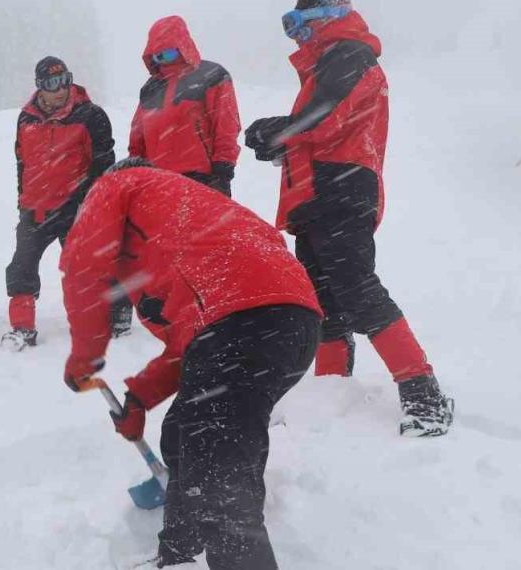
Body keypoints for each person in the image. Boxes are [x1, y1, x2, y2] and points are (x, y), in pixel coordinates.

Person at [61, 159, 322, 569]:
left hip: (240, 323)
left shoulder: (118, 185)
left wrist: (84, 358)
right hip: (293, 327)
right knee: (187, 433)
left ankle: (207, 548)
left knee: (222, 487)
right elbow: (191, 347)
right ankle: (180, 553)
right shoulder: (192, 219)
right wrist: (139, 399)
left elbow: (83, 266)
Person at [244, 0, 453, 436]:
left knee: (356, 290)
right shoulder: (327, 65)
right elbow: (318, 127)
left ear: (328, 16)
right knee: (321, 298)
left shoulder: (349, 54)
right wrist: (280, 142)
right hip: (316, 193)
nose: (298, 36)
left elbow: (324, 119)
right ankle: (331, 390)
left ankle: (423, 392)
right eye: (291, 28)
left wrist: (278, 130)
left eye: (301, 24)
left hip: (341, 188)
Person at [2, 56, 119, 349]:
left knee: (87, 269)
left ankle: (101, 319)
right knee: (21, 267)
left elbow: (104, 164)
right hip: (36, 208)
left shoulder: (90, 115)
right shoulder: (26, 118)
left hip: (75, 207)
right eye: (52, 83)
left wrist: (89, 201)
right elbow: (22, 162)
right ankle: (22, 327)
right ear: (40, 86)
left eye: (64, 80)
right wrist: (23, 199)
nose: (60, 89)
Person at [128, 16, 242, 196]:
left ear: (183, 47)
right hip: (157, 184)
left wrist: (222, 171)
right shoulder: (150, 88)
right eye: (158, 56)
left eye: (170, 53)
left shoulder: (211, 75)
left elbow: (226, 126)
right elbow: (137, 139)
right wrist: (135, 172)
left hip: (202, 179)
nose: (164, 60)